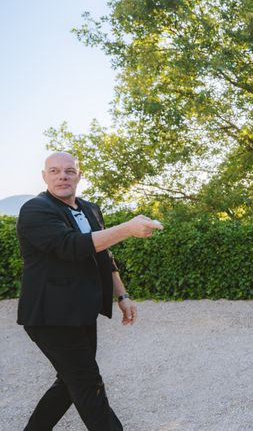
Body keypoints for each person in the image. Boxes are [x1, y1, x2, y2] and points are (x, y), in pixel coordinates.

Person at [16, 152, 163, 431]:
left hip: (81, 312)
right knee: (88, 385)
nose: (63, 176)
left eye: (70, 171)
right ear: (44, 176)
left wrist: (123, 296)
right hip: (50, 316)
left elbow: (103, 254)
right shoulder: (36, 209)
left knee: (69, 383)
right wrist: (128, 229)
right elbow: (71, 246)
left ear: (79, 175)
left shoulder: (91, 209)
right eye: (55, 171)